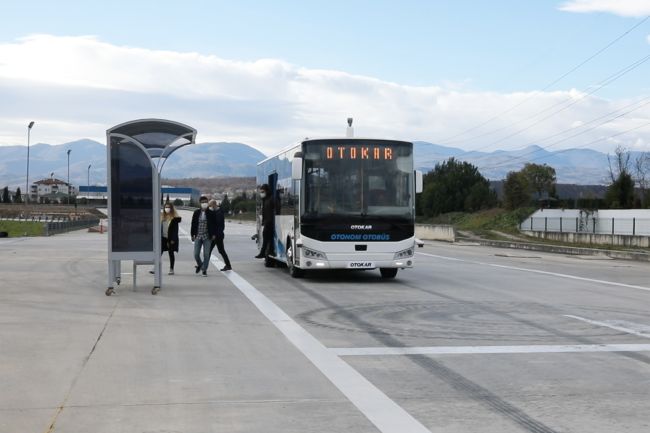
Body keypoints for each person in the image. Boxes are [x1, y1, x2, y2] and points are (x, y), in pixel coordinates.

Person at [191, 196, 217, 276]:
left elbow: (214, 225)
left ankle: (204, 269)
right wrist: (192, 234)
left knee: (206, 254)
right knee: (196, 254)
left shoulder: (211, 213)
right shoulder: (196, 213)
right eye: (202, 202)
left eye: (206, 202)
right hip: (198, 236)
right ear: (200, 203)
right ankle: (200, 265)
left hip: (207, 236)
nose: (204, 203)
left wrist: (214, 234)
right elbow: (193, 224)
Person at [208, 199, 232, 271]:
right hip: (216, 235)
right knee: (210, 250)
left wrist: (215, 234)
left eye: (210, 205)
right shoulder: (217, 212)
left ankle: (228, 265)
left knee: (220, 250)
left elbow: (218, 225)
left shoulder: (218, 213)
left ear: (214, 205)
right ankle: (203, 265)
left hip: (218, 236)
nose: (210, 207)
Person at [255, 184, 275, 259]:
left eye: (262, 191)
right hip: (267, 221)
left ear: (266, 191)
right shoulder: (265, 200)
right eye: (261, 191)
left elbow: (272, 210)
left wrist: (269, 221)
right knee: (267, 238)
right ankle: (268, 251)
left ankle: (263, 252)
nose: (261, 193)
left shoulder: (271, 199)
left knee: (266, 237)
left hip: (270, 222)